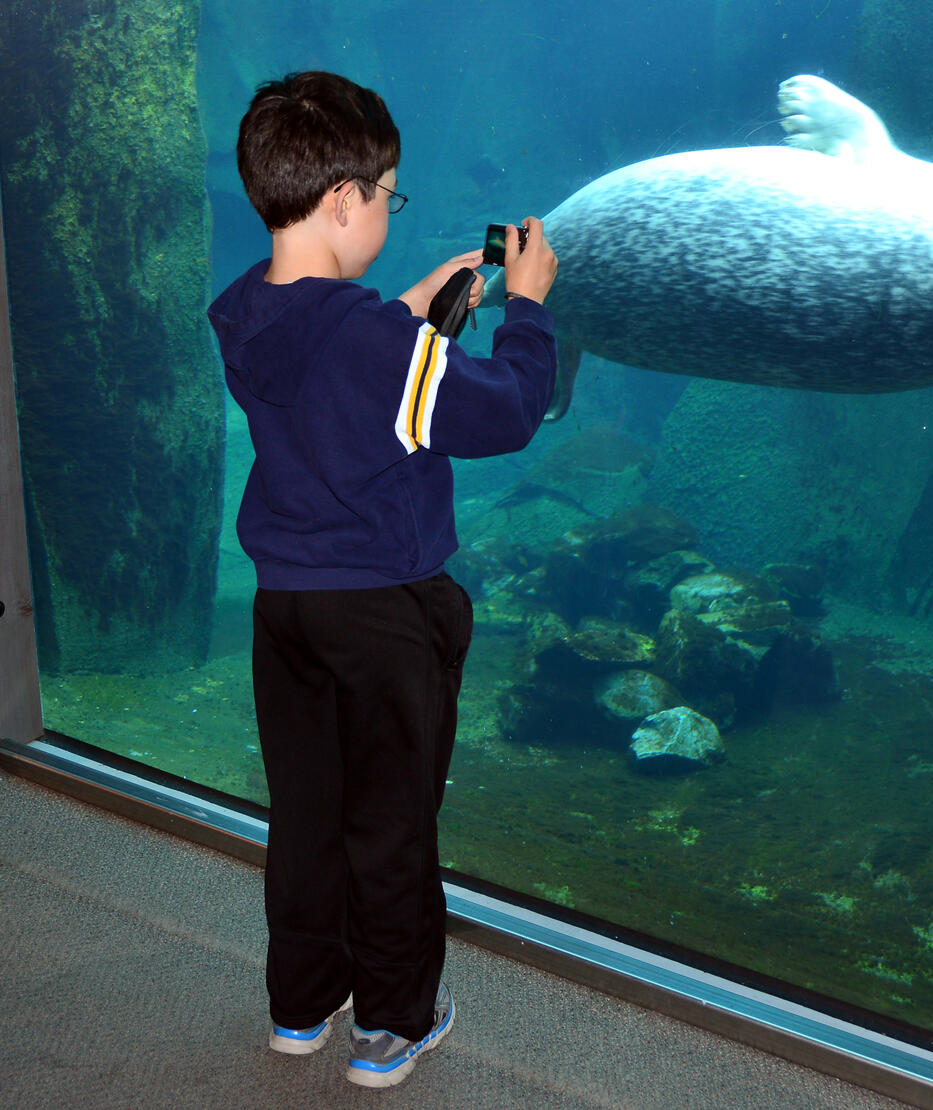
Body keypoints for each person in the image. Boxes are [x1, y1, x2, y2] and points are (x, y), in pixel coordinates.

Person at [207, 70, 558, 1089]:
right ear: (344, 201)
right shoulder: (370, 344)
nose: (387, 214)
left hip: (291, 609)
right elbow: (501, 413)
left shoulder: (244, 312)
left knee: (309, 812)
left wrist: (414, 316)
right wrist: (525, 311)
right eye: (388, 196)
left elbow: (337, 381)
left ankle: (300, 1006)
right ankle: (393, 1026)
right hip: (384, 613)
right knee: (389, 822)